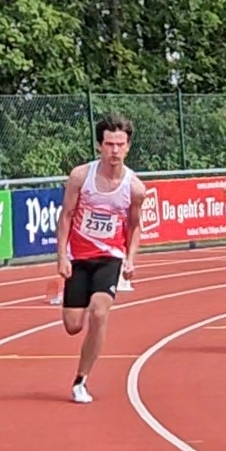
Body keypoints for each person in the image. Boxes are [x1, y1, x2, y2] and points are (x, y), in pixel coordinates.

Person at [55, 112, 146, 402]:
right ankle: (81, 371)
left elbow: (134, 226)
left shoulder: (134, 188)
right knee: (72, 325)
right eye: (109, 144)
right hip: (79, 257)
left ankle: (81, 380)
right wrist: (61, 257)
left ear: (128, 146)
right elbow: (66, 216)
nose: (114, 151)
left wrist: (130, 258)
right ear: (99, 146)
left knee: (99, 310)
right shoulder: (81, 177)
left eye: (120, 144)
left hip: (110, 257)